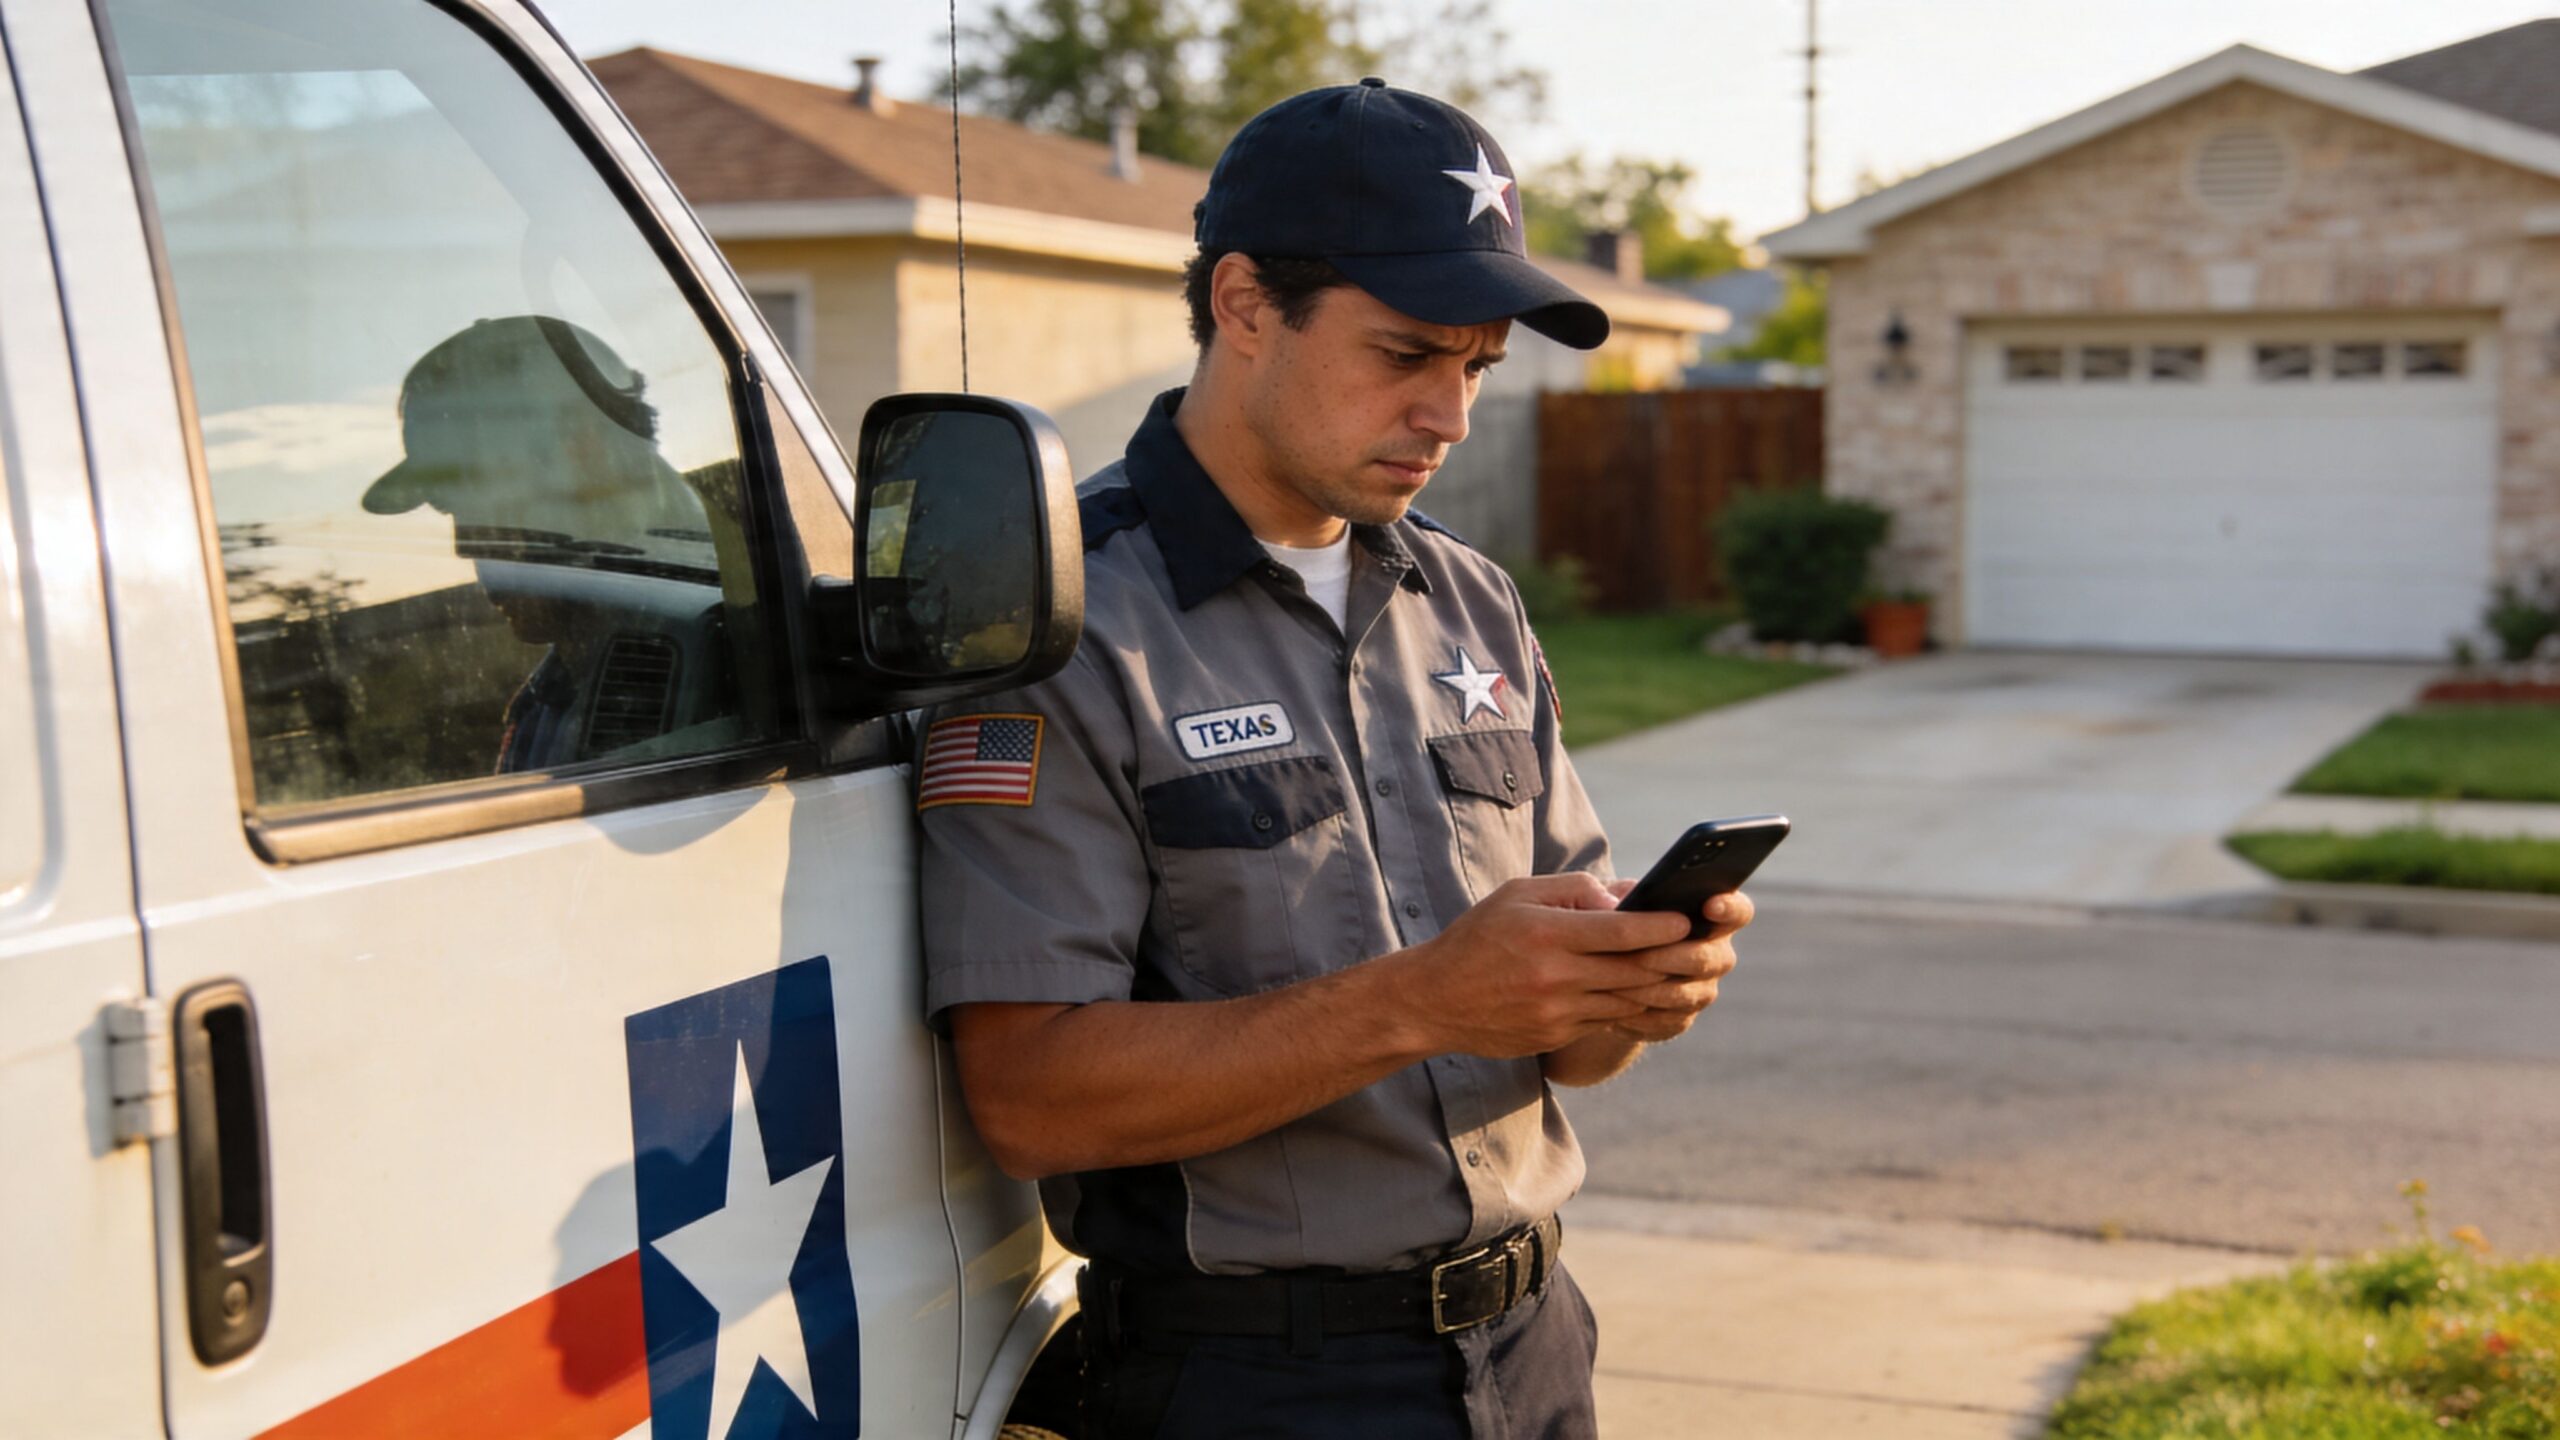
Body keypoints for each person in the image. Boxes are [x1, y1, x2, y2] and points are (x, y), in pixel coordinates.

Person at [916, 79, 1755, 1439]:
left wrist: (1633, 991)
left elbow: (1571, 1050)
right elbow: (1030, 1099)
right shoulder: (1058, 624)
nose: (1453, 415)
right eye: (1407, 354)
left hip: (1536, 1353)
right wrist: (1425, 1000)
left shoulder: (1469, 599)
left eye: (1476, 368)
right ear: (1244, 305)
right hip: (1261, 1383)